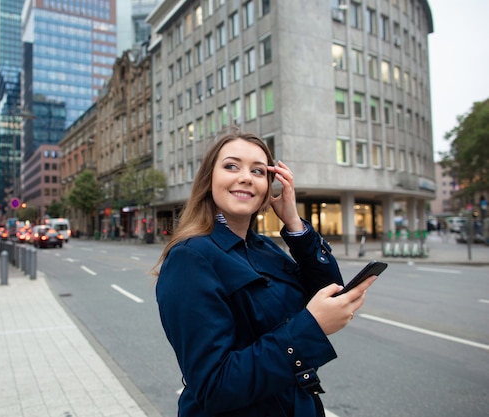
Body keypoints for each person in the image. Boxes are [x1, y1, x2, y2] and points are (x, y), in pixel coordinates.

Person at [154, 129, 377, 417]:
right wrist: (311, 326)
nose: (245, 177)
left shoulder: (262, 247)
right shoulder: (190, 257)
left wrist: (293, 221)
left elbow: (329, 291)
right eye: (231, 166)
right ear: (209, 179)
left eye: (258, 171)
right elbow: (213, 387)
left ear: (268, 187)